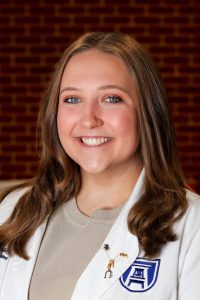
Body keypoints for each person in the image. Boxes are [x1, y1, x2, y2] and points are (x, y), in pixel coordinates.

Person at [0, 32, 200, 300]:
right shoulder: (13, 213)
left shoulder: (192, 225)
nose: (89, 119)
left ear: (148, 111)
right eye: (72, 99)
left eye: (111, 99)